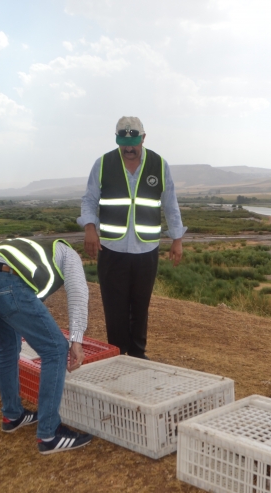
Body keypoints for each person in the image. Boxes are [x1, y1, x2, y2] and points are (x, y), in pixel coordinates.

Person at [0, 237, 94, 454]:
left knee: (7, 344)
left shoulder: (32, 249)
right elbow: (78, 293)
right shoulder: (69, 255)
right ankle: (49, 435)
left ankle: (12, 415)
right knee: (55, 349)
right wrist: (76, 341)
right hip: (3, 281)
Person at [78, 116, 186, 359]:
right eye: (123, 142)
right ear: (117, 140)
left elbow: (170, 204)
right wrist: (89, 227)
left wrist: (177, 239)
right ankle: (117, 354)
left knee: (140, 305)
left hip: (146, 249)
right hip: (112, 248)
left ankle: (137, 354)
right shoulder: (103, 163)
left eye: (133, 142)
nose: (128, 148)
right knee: (114, 307)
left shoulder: (159, 164)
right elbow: (89, 200)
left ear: (143, 138)